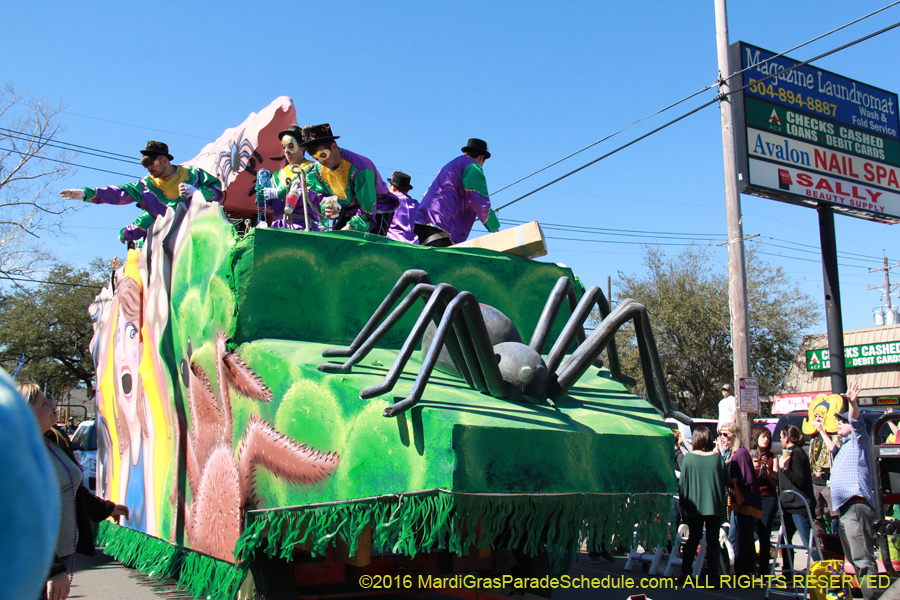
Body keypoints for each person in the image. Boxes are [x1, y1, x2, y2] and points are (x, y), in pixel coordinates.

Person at [19, 382, 128, 600]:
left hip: (57, 556)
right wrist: (52, 568)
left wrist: (107, 509)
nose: (52, 404)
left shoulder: (52, 441)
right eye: (43, 402)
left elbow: (72, 487)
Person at [60, 141, 222, 246]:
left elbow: (218, 193)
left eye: (153, 167)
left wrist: (198, 193)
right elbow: (119, 193)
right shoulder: (146, 185)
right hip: (169, 243)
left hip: (202, 234)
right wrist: (84, 194)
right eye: (148, 169)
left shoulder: (194, 175)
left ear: (164, 161)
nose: (150, 172)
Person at [824, 381, 881, 600]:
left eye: (842, 420)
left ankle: (874, 596)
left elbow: (857, 422)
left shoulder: (859, 440)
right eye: (838, 420)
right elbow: (832, 446)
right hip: (844, 509)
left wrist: (852, 402)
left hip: (856, 506)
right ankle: (870, 594)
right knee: (854, 558)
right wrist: (820, 430)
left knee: (862, 558)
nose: (839, 423)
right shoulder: (845, 445)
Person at [299, 123, 396, 235]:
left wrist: (349, 228)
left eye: (323, 155)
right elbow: (323, 194)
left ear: (334, 146)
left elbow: (367, 209)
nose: (321, 161)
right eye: (315, 158)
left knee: (367, 247)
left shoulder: (361, 168)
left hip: (375, 209)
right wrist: (328, 205)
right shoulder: (317, 170)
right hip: (348, 210)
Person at [414, 138, 500, 247]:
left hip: (424, 219)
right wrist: (495, 228)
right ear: (481, 157)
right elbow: (478, 199)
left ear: (466, 153)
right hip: (441, 221)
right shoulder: (472, 166)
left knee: (430, 258)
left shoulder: (450, 165)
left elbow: (426, 193)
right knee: (443, 261)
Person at [679, 426, 729, 582]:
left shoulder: (688, 458)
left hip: (694, 505)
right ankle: (714, 578)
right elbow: (727, 481)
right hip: (714, 505)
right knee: (713, 543)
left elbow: (683, 484)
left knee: (692, 540)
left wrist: (683, 504)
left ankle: (685, 575)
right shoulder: (717, 458)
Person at [773, 424, 818, 572]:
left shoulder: (797, 454)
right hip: (788, 505)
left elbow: (799, 480)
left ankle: (823, 572)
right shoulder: (788, 453)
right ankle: (787, 572)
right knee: (785, 540)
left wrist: (784, 468)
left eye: (781, 436)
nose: (780, 439)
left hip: (799, 505)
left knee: (808, 541)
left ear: (786, 437)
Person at [259, 125, 320, 230]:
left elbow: (309, 196)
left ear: (302, 146)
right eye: (284, 147)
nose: (286, 151)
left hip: (302, 226)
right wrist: (261, 194)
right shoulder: (277, 175)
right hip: (277, 227)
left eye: (290, 146)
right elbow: (269, 205)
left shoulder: (313, 169)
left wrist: (281, 193)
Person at [720, 423, 761, 576]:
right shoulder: (732, 453)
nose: (723, 438)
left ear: (735, 436)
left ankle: (747, 572)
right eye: (721, 435)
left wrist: (730, 482)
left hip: (746, 502)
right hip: (737, 502)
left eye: (726, 435)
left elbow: (748, 480)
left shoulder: (741, 453)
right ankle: (738, 570)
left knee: (745, 538)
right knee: (735, 537)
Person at [751, 425, 778, 575]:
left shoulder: (772, 457)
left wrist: (766, 470)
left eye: (768, 437)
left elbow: (775, 481)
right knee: (750, 531)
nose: (766, 439)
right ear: (756, 439)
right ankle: (750, 566)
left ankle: (764, 570)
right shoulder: (750, 455)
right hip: (753, 498)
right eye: (763, 437)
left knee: (764, 532)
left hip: (768, 498)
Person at [384, 171, 419, 244]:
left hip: (393, 245)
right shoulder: (417, 205)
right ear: (407, 190)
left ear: (393, 187)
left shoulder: (389, 202)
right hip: (416, 247)